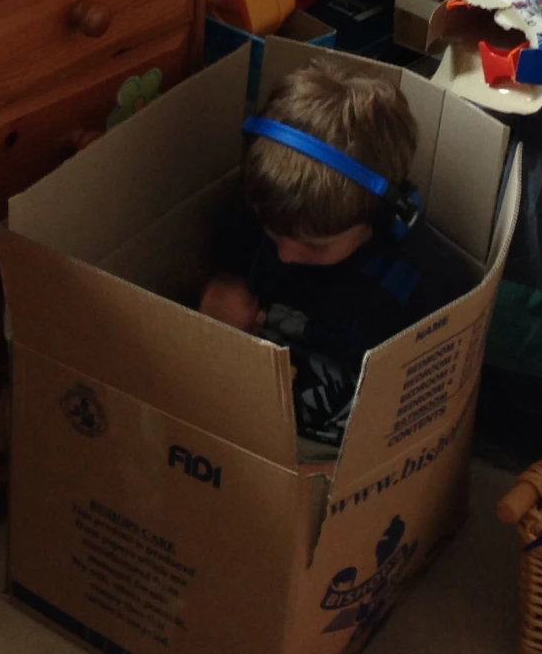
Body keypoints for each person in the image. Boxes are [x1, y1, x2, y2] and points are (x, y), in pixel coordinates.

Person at [199, 65, 472, 447]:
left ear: (377, 216)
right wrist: (225, 285)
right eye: (273, 233)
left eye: (315, 246)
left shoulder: (426, 282)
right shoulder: (255, 216)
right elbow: (229, 267)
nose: (286, 254)